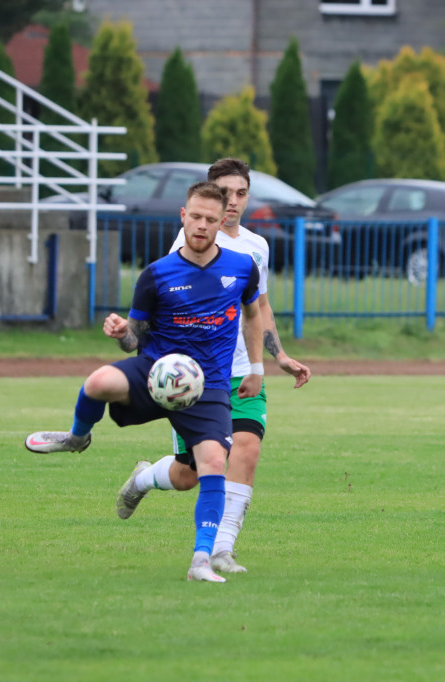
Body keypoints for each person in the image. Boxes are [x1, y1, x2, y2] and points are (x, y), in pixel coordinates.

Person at [24, 181, 265, 583]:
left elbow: (254, 314)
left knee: (208, 466)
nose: (202, 225)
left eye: (211, 219)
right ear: (183, 216)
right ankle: (77, 437)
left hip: (207, 386)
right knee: (98, 382)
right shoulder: (157, 274)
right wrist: (122, 332)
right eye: (196, 217)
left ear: (222, 221)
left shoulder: (242, 267)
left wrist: (256, 368)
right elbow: (135, 338)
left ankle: (200, 561)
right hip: (156, 371)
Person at [112, 158, 312, 575]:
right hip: (197, 377)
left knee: (247, 450)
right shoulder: (187, 244)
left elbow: (259, 307)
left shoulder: (257, 247)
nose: (234, 201)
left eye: (241, 193)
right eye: (226, 192)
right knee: (190, 475)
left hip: (243, 370)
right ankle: (145, 478)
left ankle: (222, 550)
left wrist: (277, 357)